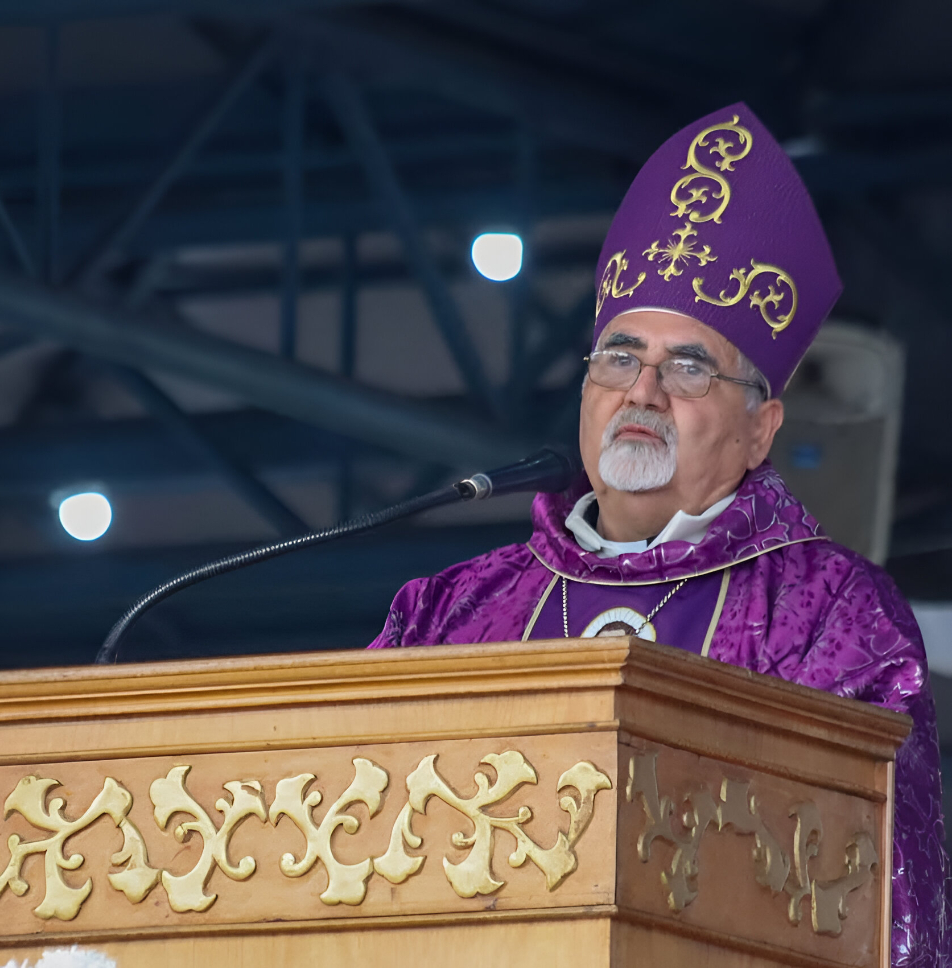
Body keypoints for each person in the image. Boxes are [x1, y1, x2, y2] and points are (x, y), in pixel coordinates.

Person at [368, 103, 950, 965]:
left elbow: (886, 889)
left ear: (761, 428)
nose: (642, 391)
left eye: (688, 367)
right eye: (618, 357)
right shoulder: (454, 609)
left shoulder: (832, 614)